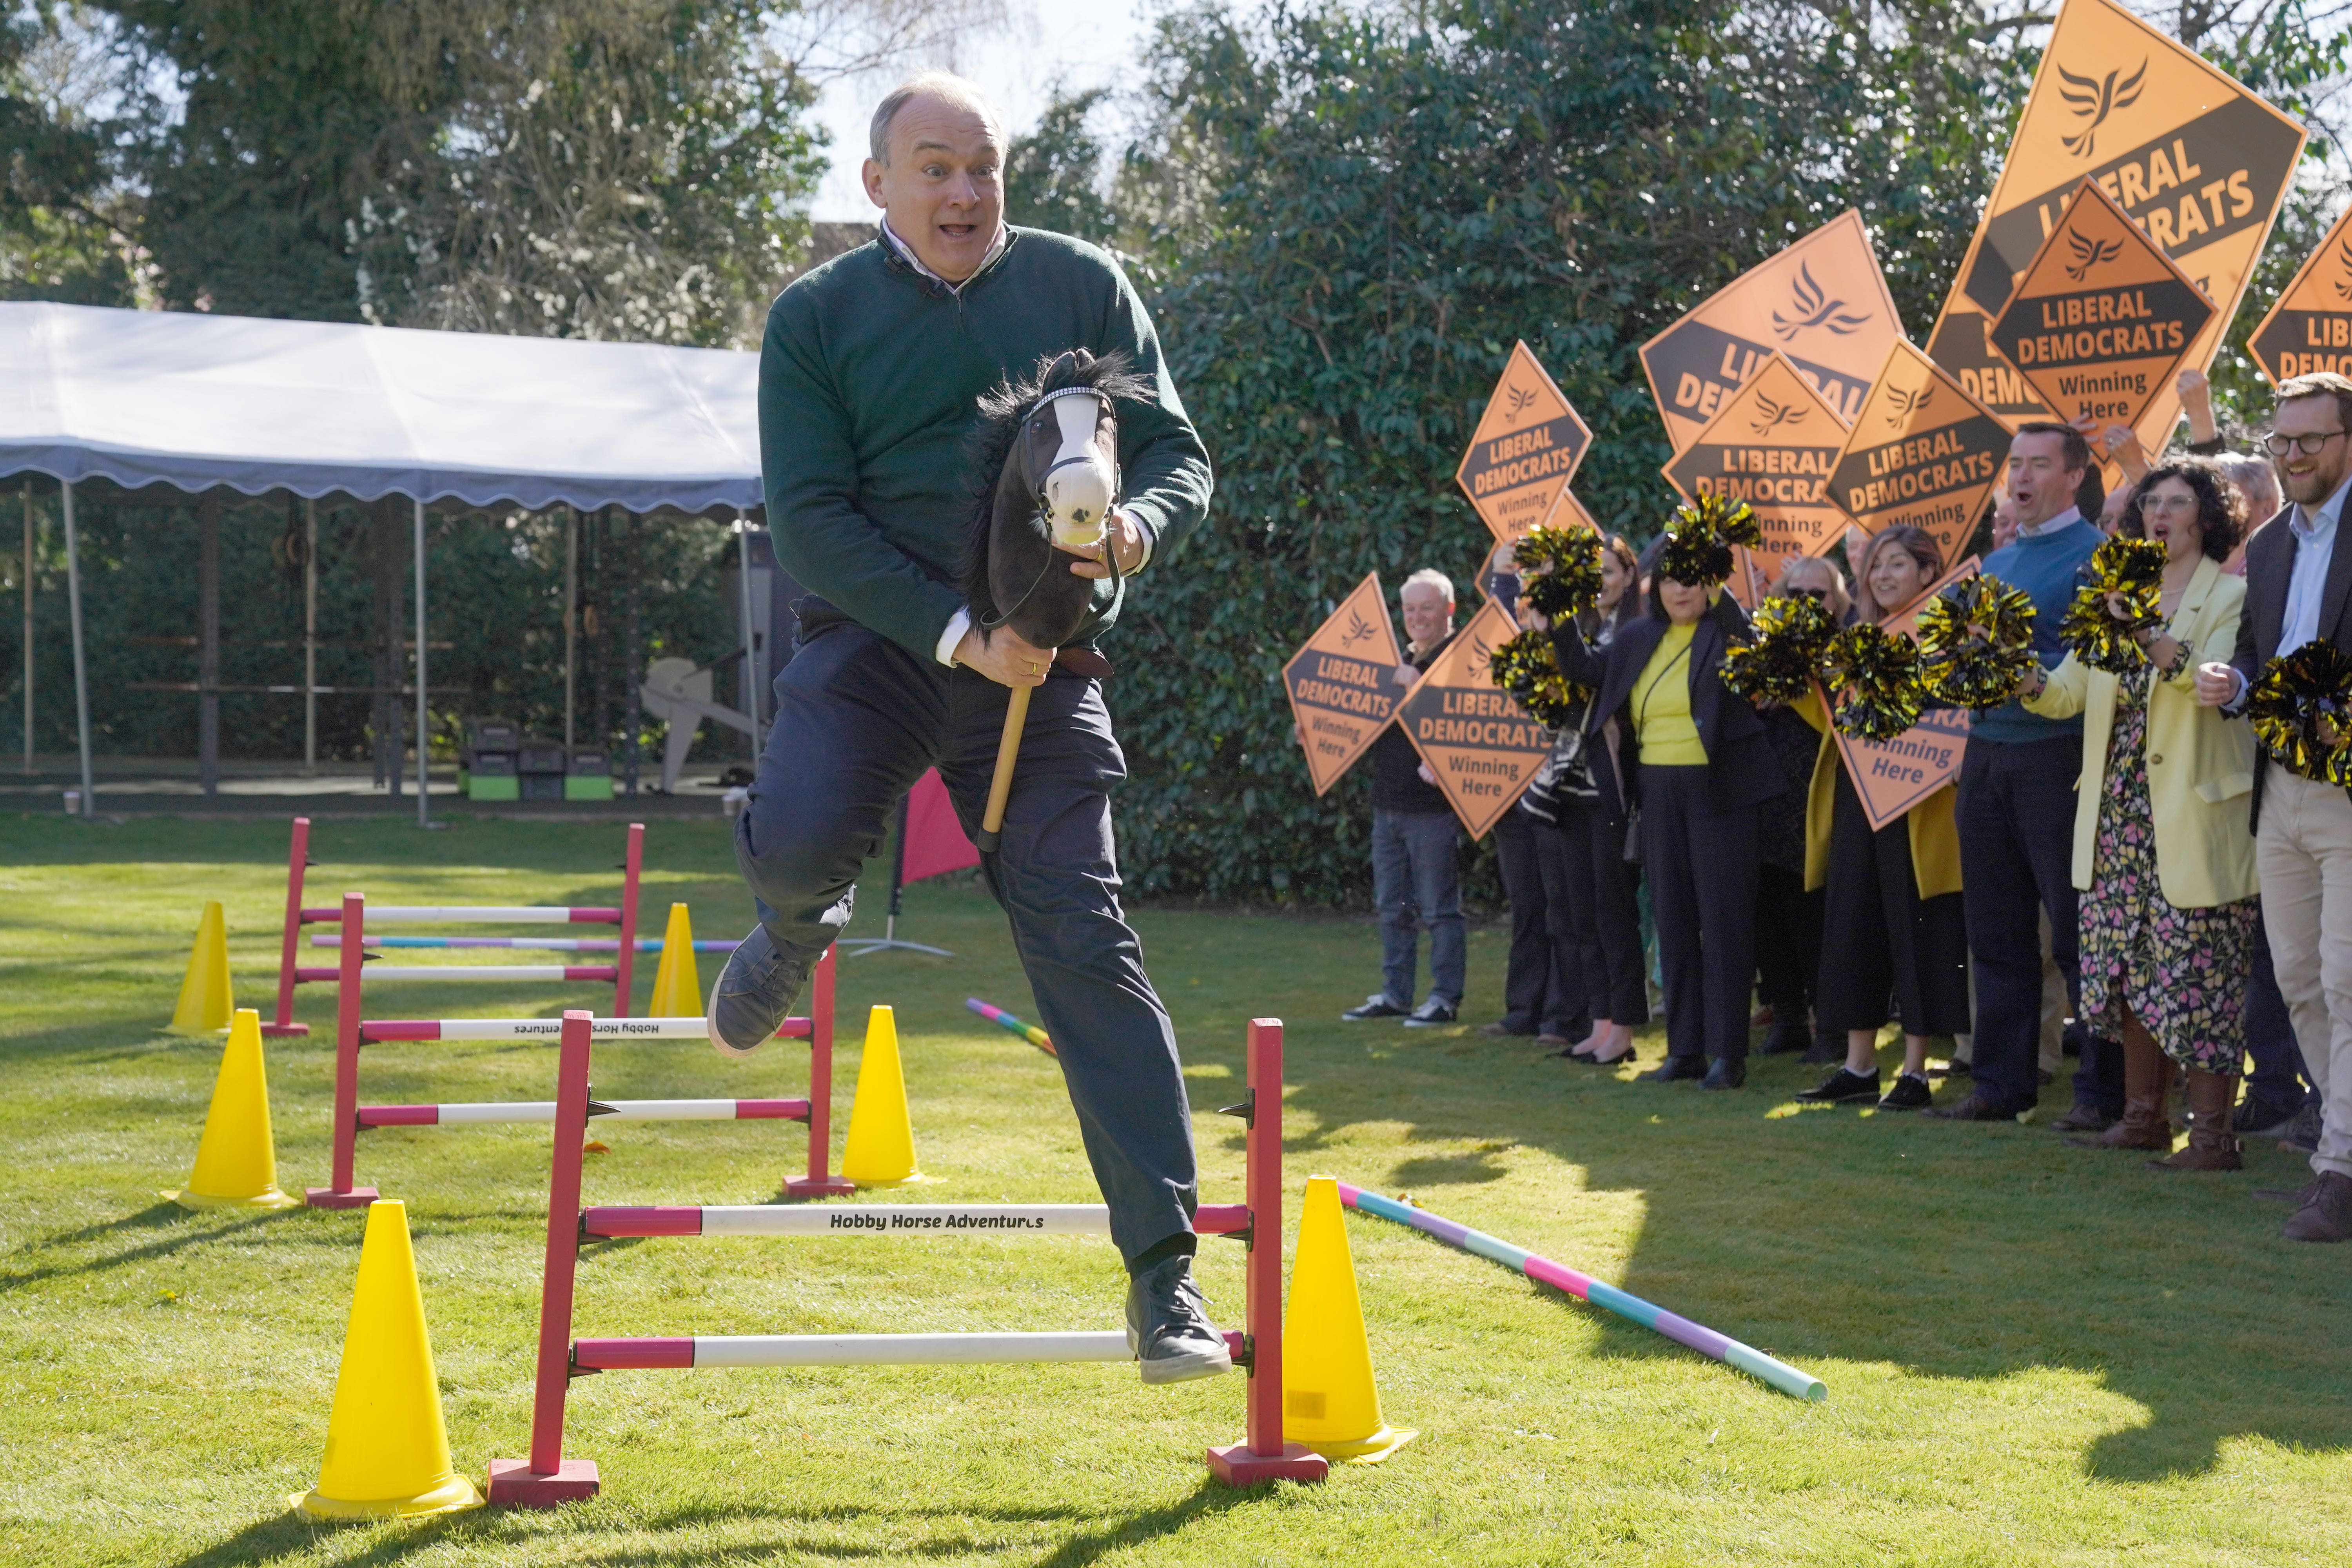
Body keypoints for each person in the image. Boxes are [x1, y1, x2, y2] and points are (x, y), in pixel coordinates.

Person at [711, 72, 1230, 1381]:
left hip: (1044, 663)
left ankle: (1165, 1278)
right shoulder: (814, 318)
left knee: (1085, 935)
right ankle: (796, 925)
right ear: (876, 184)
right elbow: (809, 521)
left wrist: (1135, 532)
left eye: (983, 167)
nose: (963, 192)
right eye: (934, 168)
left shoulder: (1084, 285)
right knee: (797, 844)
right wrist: (956, 632)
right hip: (877, 645)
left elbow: (1179, 456)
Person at [2022, 460, 2257, 1167]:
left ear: (2207, 518)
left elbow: (2210, 682)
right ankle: (2144, 1118)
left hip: (2191, 811)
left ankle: (2212, 1138)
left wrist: (2149, 630)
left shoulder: (2234, 594)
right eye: (2151, 501)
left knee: (2203, 973)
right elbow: (2065, 693)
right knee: (2128, 968)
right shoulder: (2116, 594)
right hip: (2116, 815)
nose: (2160, 512)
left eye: (2178, 501)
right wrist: (2013, 670)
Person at [2196, 371, 2352, 1240]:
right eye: (2281, 441)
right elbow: (2260, 650)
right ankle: (2343, 1147)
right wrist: (2235, 681)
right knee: (2298, 980)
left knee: (2346, 977)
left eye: (2311, 439)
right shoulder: (2268, 544)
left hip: (2349, 788)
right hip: (2279, 785)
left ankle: (2339, 1170)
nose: (2292, 455)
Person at [1931, 423, 2111, 1124]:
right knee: (1996, 930)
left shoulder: (2097, 556)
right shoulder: (1997, 562)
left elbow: (2088, 667)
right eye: (2016, 465)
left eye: (2039, 464)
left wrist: (2009, 655)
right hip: (1986, 752)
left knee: (2075, 933)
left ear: (2075, 476)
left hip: (2057, 755)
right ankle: (2000, 1085)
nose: (2022, 477)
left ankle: (2103, 1092)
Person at [1551, 557, 1781, 1088]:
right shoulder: (1638, 635)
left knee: (1722, 922)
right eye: (1673, 579)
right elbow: (1584, 668)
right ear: (1657, 587)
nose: (1682, 590)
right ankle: (1685, 1051)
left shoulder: (1727, 631)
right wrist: (1557, 609)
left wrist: (1723, 595)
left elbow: (1758, 648)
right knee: (1673, 921)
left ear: (1711, 585)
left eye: (1695, 580)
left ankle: (1728, 1054)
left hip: (1721, 791)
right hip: (1657, 790)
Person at [1795, 525, 1971, 1111]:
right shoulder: (1856, 640)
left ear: (1929, 572)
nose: (1883, 575)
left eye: (1897, 563)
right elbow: (1829, 718)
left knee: (1915, 930)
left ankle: (1916, 1071)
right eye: (1875, 566)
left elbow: (1957, 717)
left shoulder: (1946, 639)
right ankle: (1859, 1065)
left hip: (1917, 805)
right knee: (1852, 924)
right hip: (1857, 796)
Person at [1520, 532, 1648, 1067]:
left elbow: (1588, 670)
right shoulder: (1586, 625)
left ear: (1630, 576)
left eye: (1610, 572)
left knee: (1614, 913)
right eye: (1591, 576)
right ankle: (1600, 1026)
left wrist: (1558, 620)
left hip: (1612, 788)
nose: (1600, 584)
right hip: (1569, 787)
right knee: (1583, 913)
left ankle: (1623, 1030)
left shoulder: (1638, 630)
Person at [1343, 570, 1466, 1027]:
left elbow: (1464, 725)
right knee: (1392, 908)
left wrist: (1416, 687)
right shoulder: (1397, 659)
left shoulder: (1461, 659)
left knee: (1439, 910)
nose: (1417, 617)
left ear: (1449, 610)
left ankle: (1444, 999)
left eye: (1426, 607)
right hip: (1388, 805)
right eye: (1410, 608)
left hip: (1433, 809)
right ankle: (1396, 995)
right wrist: (1314, 730)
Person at [1752, 555, 1848, 1060]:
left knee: (1816, 917)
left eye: (1818, 595)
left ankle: (1827, 1024)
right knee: (1768, 912)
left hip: (1819, 798)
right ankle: (1787, 1017)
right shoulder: (1764, 648)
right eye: (1796, 594)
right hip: (1766, 797)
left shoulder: (1847, 649)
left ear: (1838, 603)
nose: (1806, 603)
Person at [1485, 545, 1580, 1047]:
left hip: (1557, 788)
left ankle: (1562, 1016)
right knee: (1527, 905)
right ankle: (1524, 1010)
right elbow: (1496, 632)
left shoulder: (1573, 634)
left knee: (1562, 907)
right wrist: (1503, 576)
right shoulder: (1509, 642)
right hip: (1510, 790)